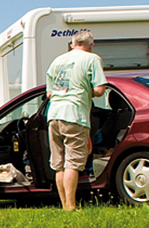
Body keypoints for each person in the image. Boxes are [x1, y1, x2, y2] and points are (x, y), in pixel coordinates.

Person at [46, 31, 107, 211]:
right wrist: (88, 89)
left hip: (54, 114)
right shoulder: (92, 59)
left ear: (72, 44)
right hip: (74, 114)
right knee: (72, 163)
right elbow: (100, 90)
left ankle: (64, 204)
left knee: (58, 164)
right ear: (91, 44)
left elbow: (49, 93)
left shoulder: (57, 61)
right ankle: (71, 206)